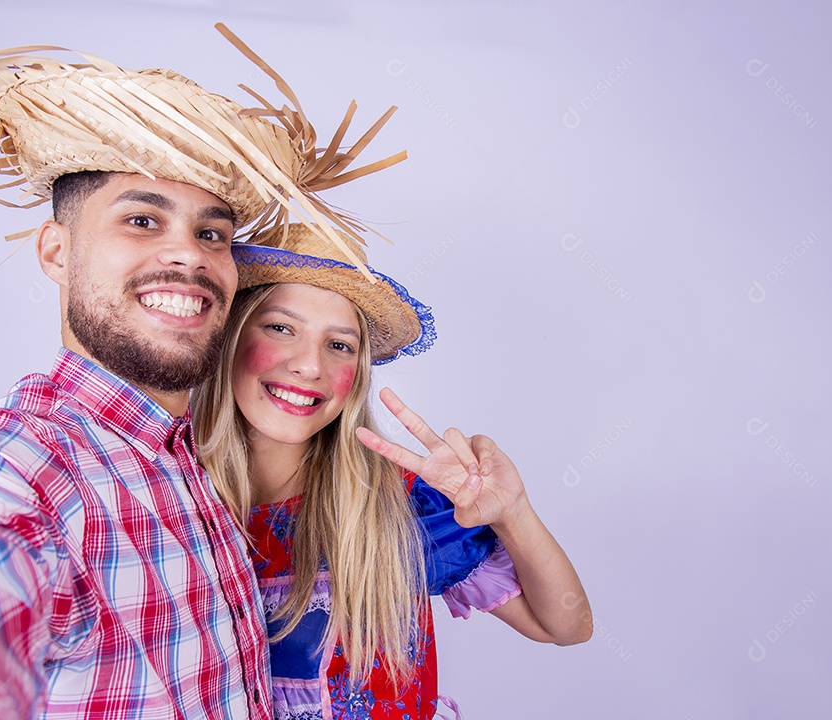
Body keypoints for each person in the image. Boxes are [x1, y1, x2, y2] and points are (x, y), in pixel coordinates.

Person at [0, 36, 393, 718]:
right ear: (56, 250)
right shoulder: (16, 455)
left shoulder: (203, 458)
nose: (186, 257)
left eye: (212, 234)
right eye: (142, 220)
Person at [192, 224, 592, 719]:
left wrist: (515, 513)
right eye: (281, 328)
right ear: (229, 336)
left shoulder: (400, 501)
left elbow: (565, 626)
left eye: (339, 345)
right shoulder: (163, 495)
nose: (310, 366)